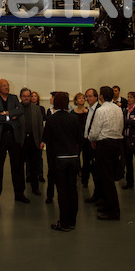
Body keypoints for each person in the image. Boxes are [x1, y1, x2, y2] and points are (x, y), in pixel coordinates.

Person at [41, 92, 82, 232]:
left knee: (62, 191)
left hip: (59, 159)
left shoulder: (51, 119)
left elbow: (47, 139)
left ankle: (64, 222)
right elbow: (79, 138)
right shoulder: (74, 118)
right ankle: (72, 221)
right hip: (73, 158)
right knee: (73, 190)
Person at [0, 79, 28, 206]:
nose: (7, 87)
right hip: (1, 138)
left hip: (14, 137)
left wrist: (6, 113)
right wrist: (11, 116)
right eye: (4, 86)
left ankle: (19, 194)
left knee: (17, 166)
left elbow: (20, 111)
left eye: (8, 85)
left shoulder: (14, 98)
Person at [88, 86, 124, 221]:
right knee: (110, 176)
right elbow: (121, 125)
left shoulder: (101, 110)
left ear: (101, 96)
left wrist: (92, 139)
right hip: (116, 143)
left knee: (106, 178)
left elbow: (95, 130)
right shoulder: (118, 108)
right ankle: (108, 205)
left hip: (104, 145)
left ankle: (113, 211)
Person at [20, 87, 44, 196]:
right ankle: (20, 190)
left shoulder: (36, 109)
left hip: (34, 141)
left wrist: (41, 140)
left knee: (34, 166)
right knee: (20, 167)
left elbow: (40, 126)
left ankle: (35, 188)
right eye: (24, 96)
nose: (26, 98)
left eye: (28, 96)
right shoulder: (16, 108)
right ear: (21, 97)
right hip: (21, 141)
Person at [83, 88, 102, 202]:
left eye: (90, 96)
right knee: (89, 167)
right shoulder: (88, 109)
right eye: (87, 96)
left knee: (97, 171)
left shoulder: (99, 110)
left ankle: (99, 195)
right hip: (87, 142)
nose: (88, 98)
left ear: (96, 97)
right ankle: (96, 194)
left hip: (95, 143)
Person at [71, 92, 88, 181]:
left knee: (86, 156)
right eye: (79, 98)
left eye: (83, 98)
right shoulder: (73, 112)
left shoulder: (88, 111)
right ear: (76, 101)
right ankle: (78, 170)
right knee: (77, 155)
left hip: (85, 136)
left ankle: (85, 173)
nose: (82, 100)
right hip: (76, 137)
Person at [30, 91, 46, 182]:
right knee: (29, 157)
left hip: (38, 135)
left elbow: (42, 122)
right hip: (30, 135)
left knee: (39, 156)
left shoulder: (41, 109)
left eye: (35, 96)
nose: (33, 97)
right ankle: (29, 174)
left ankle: (40, 174)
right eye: (32, 96)